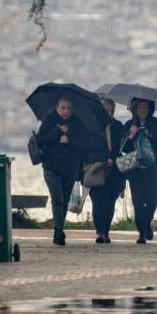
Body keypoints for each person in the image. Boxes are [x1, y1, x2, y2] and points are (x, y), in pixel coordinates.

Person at [37, 95, 87, 246]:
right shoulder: (50, 120)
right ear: (56, 108)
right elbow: (40, 140)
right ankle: (58, 230)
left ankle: (59, 228)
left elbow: (84, 144)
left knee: (64, 200)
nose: (65, 111)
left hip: (70, 168)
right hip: (51, 167)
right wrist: (57, 132)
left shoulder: (77, 123)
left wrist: (69, 139)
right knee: (57, 198)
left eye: (68, 108)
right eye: (62, 108)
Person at [123, 98, 157, 244]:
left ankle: (147, 223)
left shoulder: (156, 123)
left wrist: (151, 135)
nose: (142, 110)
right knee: (138, 203)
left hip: (152, 170)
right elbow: (123, 148)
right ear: (135, 109)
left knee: (152, 199)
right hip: (135, 171)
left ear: (150, 109)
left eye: (145, 107)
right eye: (140, 107)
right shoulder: (129, 125)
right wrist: (131, 136)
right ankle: (141, 232)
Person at [89, 97, 126, 243]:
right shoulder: (92, 126)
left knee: (110, 201)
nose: (109, 112)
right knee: (98, 200)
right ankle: (99, 232)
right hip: (97, 168)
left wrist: (112, 157)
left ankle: (106, 231)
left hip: (115, 170)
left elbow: (120, 145)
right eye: (106, 109)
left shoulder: (118, 126)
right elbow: (90, 146)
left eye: (111, 110)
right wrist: (104, 158)